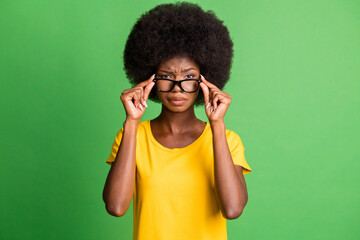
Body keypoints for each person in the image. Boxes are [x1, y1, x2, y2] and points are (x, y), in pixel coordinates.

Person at [102, 2, 252, 240]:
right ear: (150, 79)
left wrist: (217, 125)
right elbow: (116, 207)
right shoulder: (133, 137)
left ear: (205, 80)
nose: (176, 88)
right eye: (166, 77)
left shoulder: (227, 140)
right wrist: (131, 122)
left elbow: (232, 209)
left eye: (189, 77)